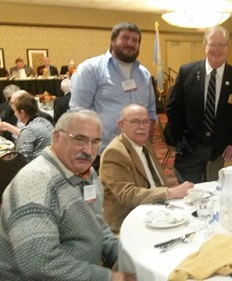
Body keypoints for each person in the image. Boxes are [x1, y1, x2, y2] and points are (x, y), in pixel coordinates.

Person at [0, 110, 136, 281]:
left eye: (95, 142)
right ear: (57, 137)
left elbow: (97, 224)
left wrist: (120, 255)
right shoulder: (35, 181)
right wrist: (109, 277)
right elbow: (38, 263)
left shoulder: (87, 173)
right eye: (79, 139)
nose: (88, 150)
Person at [165, 25, 232, 183]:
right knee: (189, 196)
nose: (216, 49)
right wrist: (180, 141)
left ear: (227, 47)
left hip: (222, 153)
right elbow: (173, 109)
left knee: (218, 195)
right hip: (190, 150)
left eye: (221, 45)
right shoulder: (187, 72)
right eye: (212, 44)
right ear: (205, 45)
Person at [70, 22, 157, 172]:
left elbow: (151, 113)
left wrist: (146, 147)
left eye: (135, 40)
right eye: (125, 38)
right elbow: (79, 114)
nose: (130, 43)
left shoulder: (144, 74)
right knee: (102, 195)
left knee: (135, 194)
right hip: (100, 153)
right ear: (112, 41)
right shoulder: (91, 69)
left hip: (137, 152)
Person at [100, 104, 193, 232]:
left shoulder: (145, 144)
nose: (142, 127)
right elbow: (128, 195)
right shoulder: (115, 153)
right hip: (129, 221)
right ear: (121, 125)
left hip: (155, 210)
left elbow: (158, 181)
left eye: (145, 122)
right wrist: (170, 193)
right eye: (135, 122)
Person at [12, 94, 54, 161]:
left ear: (22, 113)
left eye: (15, 111)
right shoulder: (44, 121)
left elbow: (21, 161)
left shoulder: (29, 131)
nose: (14, 114)